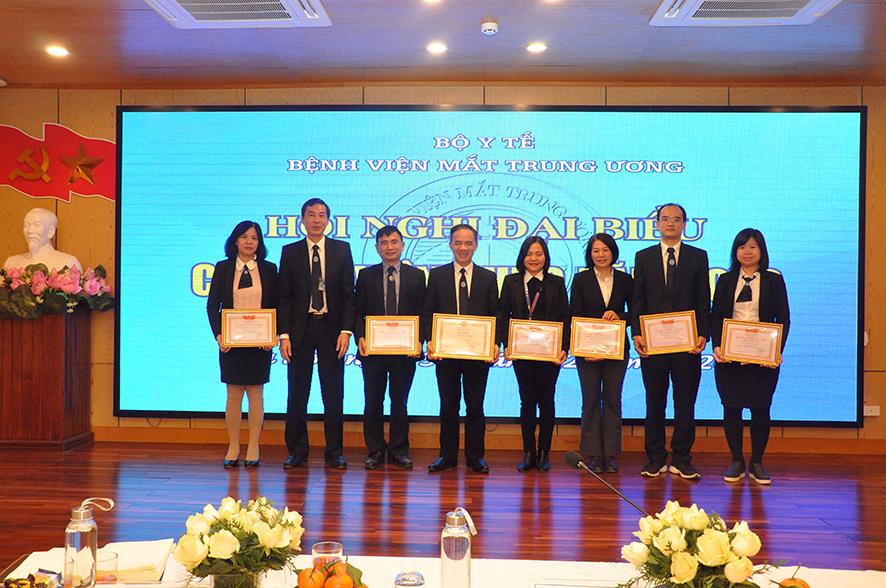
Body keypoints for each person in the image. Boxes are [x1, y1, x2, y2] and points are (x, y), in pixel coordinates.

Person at [632, 203, 710, 479]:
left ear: (684, 225)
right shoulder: (643, 257)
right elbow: (638, 298)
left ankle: (681, 459)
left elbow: (703, 298)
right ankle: (655, 458)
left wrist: (703, 333)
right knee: (655, 401)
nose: (670, 224)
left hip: (687, 344)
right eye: (665, 219)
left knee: (685, 402)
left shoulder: (698, 257)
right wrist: (636, 332)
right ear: (657, 224)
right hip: (653, 344)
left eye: (676, 219)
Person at [278, 198, 355, 470]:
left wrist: (347, 330)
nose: (316, 220)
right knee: (297, 392)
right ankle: (297, 451)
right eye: (311, 215)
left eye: (322, 215)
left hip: (331, 329)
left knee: (333, 393)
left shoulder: (341, 250)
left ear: (328, 220)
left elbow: (348, 294)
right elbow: (284, 297)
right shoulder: (290, 252)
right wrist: (283, 334)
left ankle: (334, 452)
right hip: (300, 329)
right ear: (302, 220)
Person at [712, 228, 790, 485]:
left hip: (763, 357)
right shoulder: (725, 280)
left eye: (752, 247)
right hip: (730, 357)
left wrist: (776, 350)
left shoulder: (774, 280)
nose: (747, 252)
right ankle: (736, 460)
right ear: (735, 251)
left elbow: (784, 318)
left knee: (761, 408)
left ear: (761, 251)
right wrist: (717, 346)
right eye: (742, 247)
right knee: (731, 407)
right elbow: (716, 317)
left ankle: (757, 461)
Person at [422, 224, 499, 474]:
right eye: (458, 242)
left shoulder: (488, 277)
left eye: (468, 243)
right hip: (446, 354)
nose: (463, 248)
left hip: (477, 355)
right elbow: (428, 312)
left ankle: (476, 457)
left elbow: (496, 315)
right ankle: (447, 456)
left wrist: (495, 343)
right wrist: (429, 340)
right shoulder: (437, 275)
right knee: (448, 406)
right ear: (450, 244)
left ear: (475, 245)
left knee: (475, 406)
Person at [206, 221, 278, 469]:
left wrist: (272, 334)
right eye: (244, 237)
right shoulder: (223, 268)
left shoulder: (269, 269)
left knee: (256, 394)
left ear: (260, 243)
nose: (249, 242)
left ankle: (254, 445)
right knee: (233, 395)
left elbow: (277, 305)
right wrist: (219, 335)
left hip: (260, 344)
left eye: (254, 238)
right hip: (231, 343)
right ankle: (234, 446)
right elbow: (212, 305)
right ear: (235, 240)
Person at [355, 225, 427, 470]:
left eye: (394, 242)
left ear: (402, 245)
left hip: (404, 352)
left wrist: (419, 340)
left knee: (400, 401)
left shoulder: (417, 276)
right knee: (372, 401)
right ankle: (375, 450)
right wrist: (360, 336)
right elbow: (358, 311)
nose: (389, 247)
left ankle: (398, 450)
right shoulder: (365, 276)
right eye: (384, 243)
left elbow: (423, 312)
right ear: (377, 248)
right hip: (373, 351)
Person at [498, 236, 569, 473]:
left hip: (549, 354)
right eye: (529, 254)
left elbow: (565, 317)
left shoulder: (556, 282)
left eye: (539, 254)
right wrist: (506, 343)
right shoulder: (511, 281)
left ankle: (544, 452)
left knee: (547, 401)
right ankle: (528, 452)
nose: (534, 258)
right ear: (522, 256)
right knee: (527, 401)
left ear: (545, 257)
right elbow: (502, 315)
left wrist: (564, 347)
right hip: (522, 352)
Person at [570, 233, 633, 474]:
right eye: (596, 250)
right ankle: (593, 454)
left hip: (616, 350)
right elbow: (575, 314)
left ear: (613, 252)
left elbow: (636, 311)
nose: (601, 254)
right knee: (591, 400)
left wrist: (620, 316)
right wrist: (587, 347)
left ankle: (611, 454)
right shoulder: (581, 279)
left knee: (612, 399)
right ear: (590, 254)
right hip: (588, 351)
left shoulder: (626, 279)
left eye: (605, 250)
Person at [3, 207, 81, 271]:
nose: (30, 231)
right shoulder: (11, 263)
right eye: (26, 225)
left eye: (36, 225)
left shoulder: (68, 262)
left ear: (51, 231)